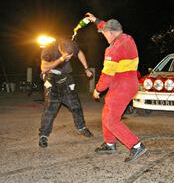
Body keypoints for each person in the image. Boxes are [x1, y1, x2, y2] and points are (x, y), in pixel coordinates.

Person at [85, 12, 147, 162]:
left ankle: (137, 145)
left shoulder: (113, 49)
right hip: (128, 82)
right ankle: (109, 143)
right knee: (107, 114)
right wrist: (96, 21)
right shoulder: (127, 38)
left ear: (111, 33)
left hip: (122, 85)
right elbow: (108, 26)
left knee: (111, 120)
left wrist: (98, 90)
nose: (104, 36)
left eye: (105, 33)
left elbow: (106, 75)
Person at [38, 38, 94, 148]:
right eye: (67, 56)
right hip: (51, 79)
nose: (69, 58)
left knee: (76, 106)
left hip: (66, 78)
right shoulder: (48, 49)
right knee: (50, 110)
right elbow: (43, 68)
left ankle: (81, 127)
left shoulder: (71, 45)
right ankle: (43, 135)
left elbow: (80, 53)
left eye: (71, 55)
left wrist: (86, 68)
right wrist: (61, 59)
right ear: (60, 50)